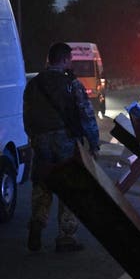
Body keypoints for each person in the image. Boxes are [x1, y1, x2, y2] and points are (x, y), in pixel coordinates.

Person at [23, 42, 100, 252]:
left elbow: (27, 116)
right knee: (69, 184)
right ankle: (66, 236)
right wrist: (94, 143)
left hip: (40, 140)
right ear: (66, 59)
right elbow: (86, 114)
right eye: (70, 60)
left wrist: (34, 138)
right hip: (65, 140)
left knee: (43, 182)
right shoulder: (71, 84)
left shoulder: (34, 84)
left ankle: (38, 222)